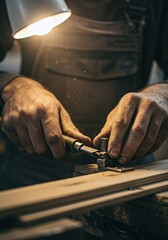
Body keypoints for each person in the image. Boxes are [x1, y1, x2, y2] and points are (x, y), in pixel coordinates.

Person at [0, 0, 168, 190]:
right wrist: (12, 87)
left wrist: (163, 94)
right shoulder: (21, 3)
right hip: (32, 170)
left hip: (131, 169)